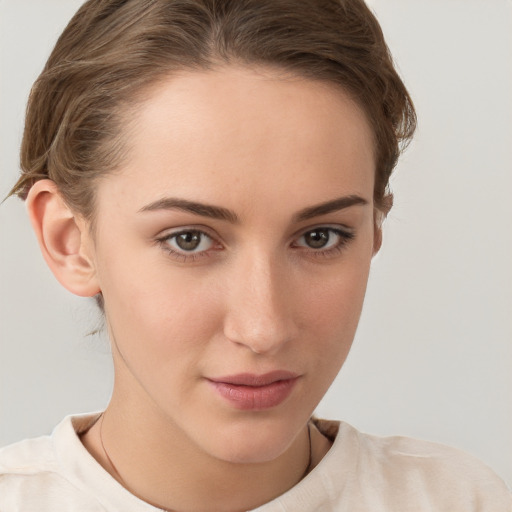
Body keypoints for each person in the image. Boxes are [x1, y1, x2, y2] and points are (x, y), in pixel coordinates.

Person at [0, 0, 510, 510]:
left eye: (320, 237)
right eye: (189, 240)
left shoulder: (459, 500)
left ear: (373, 228)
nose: (263, 328)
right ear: (70, 240)